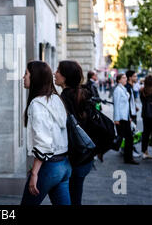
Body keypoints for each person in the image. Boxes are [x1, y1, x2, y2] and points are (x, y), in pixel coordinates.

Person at [20, 61, 72, 205]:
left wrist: (35, 173)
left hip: (49, 167)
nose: (23, 77)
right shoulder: (56, 99)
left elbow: (44, 142)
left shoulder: (37, 104)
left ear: (35, 77)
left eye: (26, 74)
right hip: (64, 165)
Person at [54, 60, 94, 205]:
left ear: (65, 77)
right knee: (75, 197)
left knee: (71, 199)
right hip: (86, 156)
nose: (54, 73)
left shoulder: (63, 100)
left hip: (73, 159)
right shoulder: (83, 94)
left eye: (58, 71)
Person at [113, 73, 139, 165]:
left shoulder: (123, 89)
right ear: (119, 80)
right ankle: (128, 158)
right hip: (121, 119)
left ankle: (128, 158)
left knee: (129, 138)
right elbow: (116, 105)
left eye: (125, 78)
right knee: (127, 138)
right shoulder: (118, 90)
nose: (125, 79)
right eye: (123, 78)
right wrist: (116, 119)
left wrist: (129, 118)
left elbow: (126, 106)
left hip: (126, 118)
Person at [125, 70, 141, 158]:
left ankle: (129, 149)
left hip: (132, 112)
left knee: (131, 133)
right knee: (130, 134)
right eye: (135, 76)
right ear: (130, 78)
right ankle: (130, 150)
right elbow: (125, 103)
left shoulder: (131, 86)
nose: (136, 78)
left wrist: (134, 106)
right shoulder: (127, 87)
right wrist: (129, 115)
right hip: (130, 115)